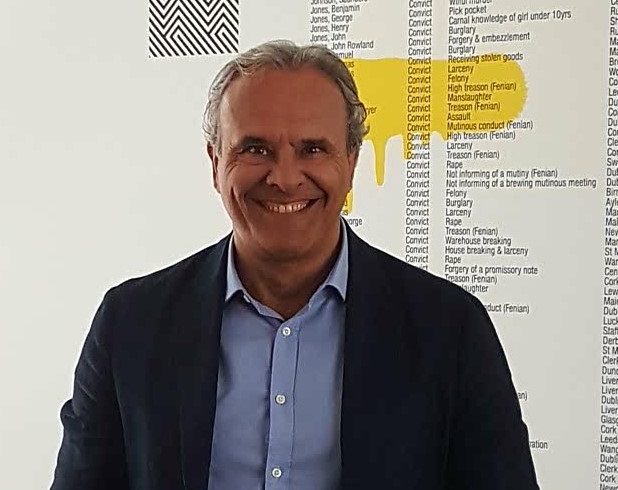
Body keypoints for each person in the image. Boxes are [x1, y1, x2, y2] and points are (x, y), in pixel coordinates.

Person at [51, 40, 540, 490]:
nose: (284, 178)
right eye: (255, 149)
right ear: (215, 163)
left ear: (351, 162)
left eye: (313, 149)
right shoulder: (130, 324)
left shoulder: (450, 329)